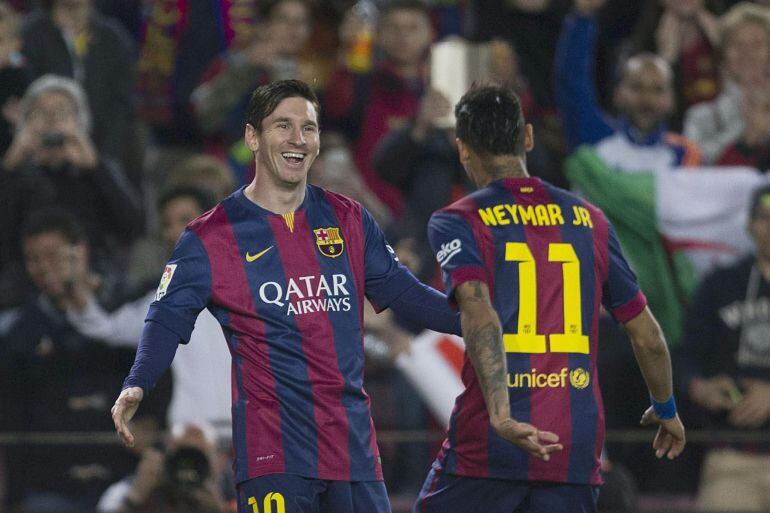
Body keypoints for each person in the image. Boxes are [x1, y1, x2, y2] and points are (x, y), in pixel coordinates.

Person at [111, 79, 461, 513]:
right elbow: (166, 318)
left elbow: (405, 293)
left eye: (308, 128)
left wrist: (474, 319)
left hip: (353, 452)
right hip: (273, 458)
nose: (298, 138)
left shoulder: (348, 218)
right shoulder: (210, 237)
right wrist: (138, 381)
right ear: (252, 137)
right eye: (283, 126)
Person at [413, 85, 686, 513]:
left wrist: (502, 415)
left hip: (488, 444)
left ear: (462, 148)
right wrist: (665, 407)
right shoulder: (589, 219)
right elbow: (647, 335)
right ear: (527, 137)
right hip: (571, 447)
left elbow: (479, 314)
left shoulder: (457, 220)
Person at [676, 184, 770, 512]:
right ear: (749, 225)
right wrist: (699, 387)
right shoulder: (721, 285)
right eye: (764, 218)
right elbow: (684, 355)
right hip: (733, 458)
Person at [555, 0, 701, 173]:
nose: (647, 99)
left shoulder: (685, 155)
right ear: (618, 94)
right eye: (637, 87)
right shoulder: (593, 135)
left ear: (671, 100)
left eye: (657, 90)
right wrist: (582, 16)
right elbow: (572, 80)